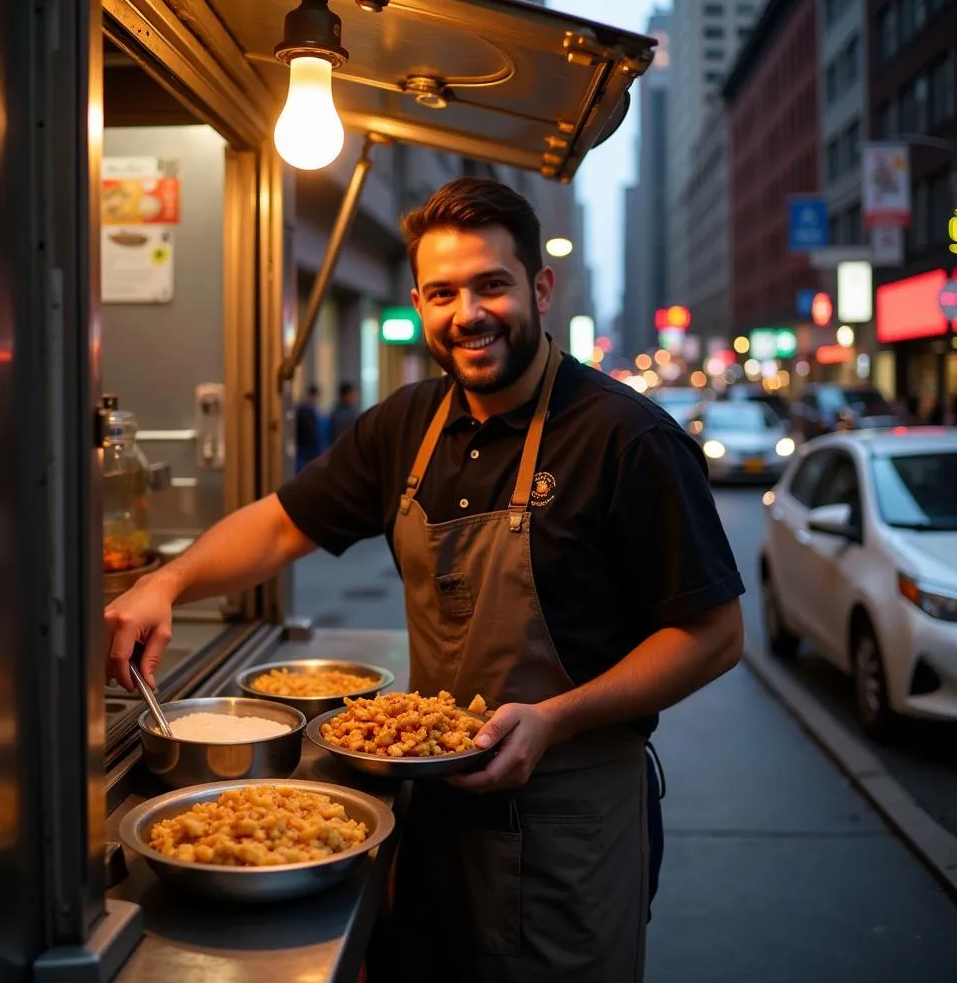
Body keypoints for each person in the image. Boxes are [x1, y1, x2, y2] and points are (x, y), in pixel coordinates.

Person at [105, 177, 745, 983]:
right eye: (442, 292)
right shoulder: (408, 421)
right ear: (418, 300)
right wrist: (165, 583)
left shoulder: (625, 437)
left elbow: (714, 636)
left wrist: (555, 718)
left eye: (491, 285)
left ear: (539, 288)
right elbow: (279, 523)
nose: (466, 313)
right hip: (429, 812)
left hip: (566, 818)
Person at [327, 380, 359, 445]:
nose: (354, 398)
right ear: (345, 395)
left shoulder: (335, 411)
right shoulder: (342, 414)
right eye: (351, 395)